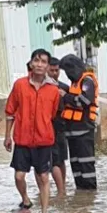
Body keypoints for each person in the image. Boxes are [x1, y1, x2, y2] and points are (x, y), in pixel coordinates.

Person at [5, 49, 60, 213]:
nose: (39, 65)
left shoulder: (53, 90)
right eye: (36, 60)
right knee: (19, 176)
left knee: (44, 177)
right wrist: (7, 136)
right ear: (31, 63)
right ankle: (26, 199)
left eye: (43, 62)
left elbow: (52, 114)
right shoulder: (20, 85)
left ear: (48, 66)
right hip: (22, 139)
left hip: (44, 140)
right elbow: (10, 111)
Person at [58, 54, 98, 190]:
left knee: (86, 165)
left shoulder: (87, 81)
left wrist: (66, 96)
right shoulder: (74, 83)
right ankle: (81, 196)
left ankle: (90, 195)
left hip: (84, 131)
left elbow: (84, 101)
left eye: (68, 70)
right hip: (72, 132)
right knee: (76, 165)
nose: (67, 74)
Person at [47, 57, 67, 195]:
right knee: (54, 161)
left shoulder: (64, 88)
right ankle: (61, 191)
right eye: (52, 70)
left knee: (61, 160)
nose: (54, 73)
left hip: (61, 128)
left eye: (57, 70)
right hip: (48, 129)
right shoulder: (43, 88)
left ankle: (62, 190)